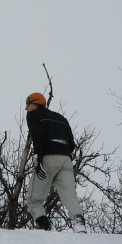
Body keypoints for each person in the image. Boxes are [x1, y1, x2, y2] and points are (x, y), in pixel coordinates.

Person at [24, 92, 87, 233]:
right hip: (66, 160)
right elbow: (72, 143)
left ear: (36, 103)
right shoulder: (61, 118)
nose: (26, 108)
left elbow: (37, 135)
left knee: (34, 201)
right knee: (70, 195)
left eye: (29, 104)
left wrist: (37, 155)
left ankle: (46, 228)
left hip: (48, 158)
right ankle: (79, 226)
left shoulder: (34, 115)